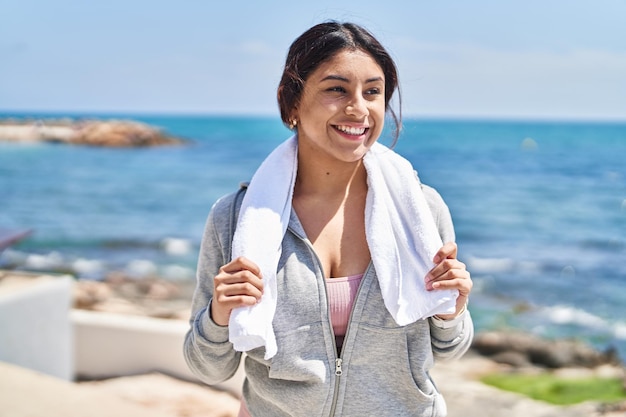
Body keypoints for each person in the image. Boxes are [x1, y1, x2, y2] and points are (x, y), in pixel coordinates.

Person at [184, 21, 473, 417]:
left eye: (372, 92)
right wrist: (219, 314)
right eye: (337, 89)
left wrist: (449, 309)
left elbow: (450, 348)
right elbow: (208, 367)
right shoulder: (235, 219)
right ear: (292, 103)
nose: (359, 108)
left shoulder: (421, 211)